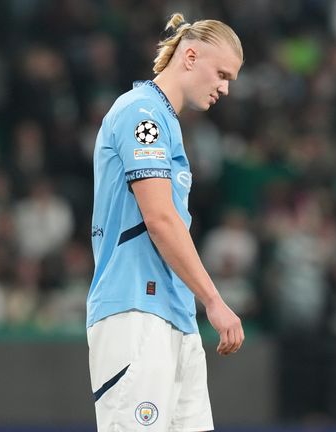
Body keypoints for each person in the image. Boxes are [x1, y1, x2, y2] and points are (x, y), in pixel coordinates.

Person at [87, 12, 245, 431]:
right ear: (190, 56)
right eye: (222, 73)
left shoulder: (166, 124)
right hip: (135, 313)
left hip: (175, 317)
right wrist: (213, 300)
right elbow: (160, 219)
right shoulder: (141, 113)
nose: (225, 88)